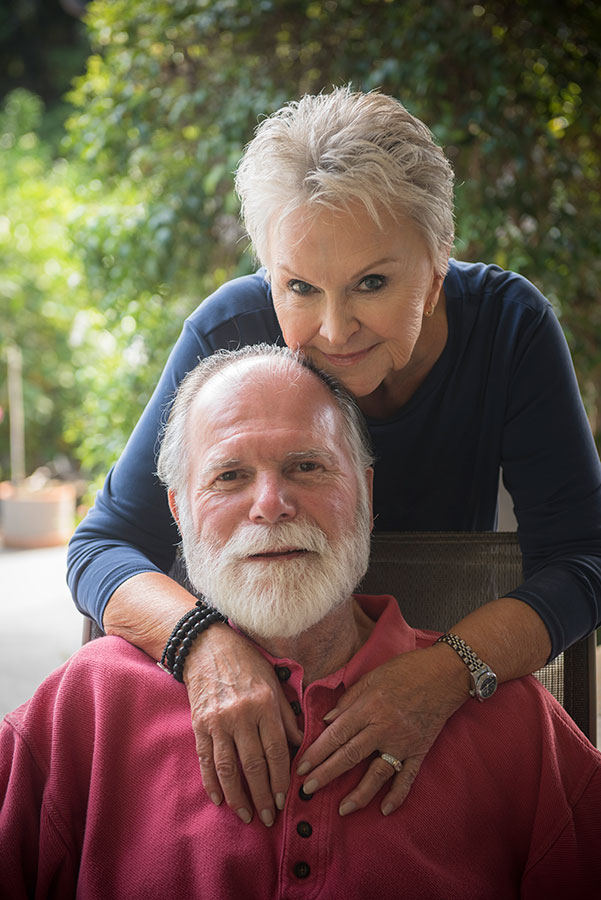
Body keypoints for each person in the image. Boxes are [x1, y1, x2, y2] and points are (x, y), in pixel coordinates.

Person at [67, 87, 601, 823]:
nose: (332, 328)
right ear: (267, 271)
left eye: (372, 284)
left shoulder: (510, 329)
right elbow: (102, 546)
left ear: (437, 261)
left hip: (439, 687)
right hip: (259, 680)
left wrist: (440, 674)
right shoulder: (229, 326)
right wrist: (203, 645)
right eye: (298, 287)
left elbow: (583, 560)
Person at [3, 346, 600, 899]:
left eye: (308, 466)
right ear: (179, 513)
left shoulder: (510, 718)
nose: (271, 503)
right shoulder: (89, 703)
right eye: (229, 475)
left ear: (366, 497)